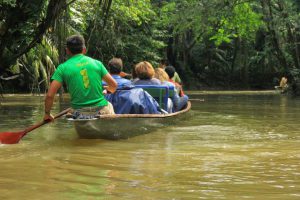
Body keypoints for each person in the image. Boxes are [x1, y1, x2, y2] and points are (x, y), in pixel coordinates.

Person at [43, 34, 117, 121]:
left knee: (73, 111)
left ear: (67, 51)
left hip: (79, 113)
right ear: (84, 49)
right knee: (109, 105)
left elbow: (50, 96)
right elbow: (114, 85)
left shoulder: (62, 68)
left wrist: (47, 114)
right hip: (101, 110)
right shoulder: (97, 63)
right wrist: (108, 90)